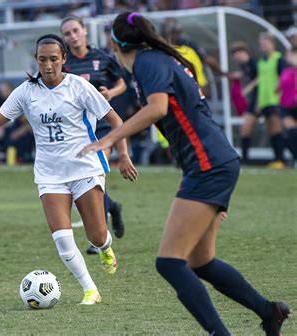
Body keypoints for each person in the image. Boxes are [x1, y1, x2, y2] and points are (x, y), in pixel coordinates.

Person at [78, 12, 291, 335]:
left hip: (209, 165)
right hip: (214, 162)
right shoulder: (162, 60)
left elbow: (158, 108)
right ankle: (268, 311)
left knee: (169, 262)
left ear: (115, 44)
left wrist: (109, 138)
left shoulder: (149, 63)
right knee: (200, 262)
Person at [0, 34, 137, 305]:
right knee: (62, 239)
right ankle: (90, 290)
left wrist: (122, 154)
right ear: (36, 60)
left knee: (96, 235)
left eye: (54, 59)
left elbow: (115, 120)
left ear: (64, 59)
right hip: (50, 174)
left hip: (84, 168)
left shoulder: (79, 87)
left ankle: (106, 247)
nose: (48, 65)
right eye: (42, 59)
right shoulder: (26, 91)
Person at [61, 15, 130, 254]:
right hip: (75, 130)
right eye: (67, 33)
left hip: (101, 125)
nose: (72, 36)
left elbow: (122, 83)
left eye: (75, 30)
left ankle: (97, 238)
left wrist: (111, 92)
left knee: (92, 172)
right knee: (87, 174)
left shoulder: (101, 57)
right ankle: (112, 208)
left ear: (84, 31)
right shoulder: (63, 63)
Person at [256, 32, 287, 168]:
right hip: (264, 101)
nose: (263, 45)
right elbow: (261, 83)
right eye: (261, 43)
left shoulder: (279, 59)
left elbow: (284, 79)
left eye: (265, 42)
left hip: (275, 100)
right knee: (270, 131)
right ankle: (276, 159)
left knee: (277, 129)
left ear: (272, 43)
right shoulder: (261, 62)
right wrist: (258, 102)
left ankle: (282, 159)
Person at [229, 42, 259, 163]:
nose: (237, 59)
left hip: (260, 99)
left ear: (243, 53)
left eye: (237, 56)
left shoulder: (254, 63)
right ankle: (246, 159)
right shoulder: (245, 66)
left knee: (275, 128)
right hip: (254, 100)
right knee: (244, 128)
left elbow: (262, 77)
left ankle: (281, 159)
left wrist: (249, 88)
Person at [277, 47, 297, 167]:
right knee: (291, 132)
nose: (287, 56)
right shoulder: (286, 71)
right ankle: (295, 159)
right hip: (286, 106)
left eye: (289, 54)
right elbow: (278, 87)